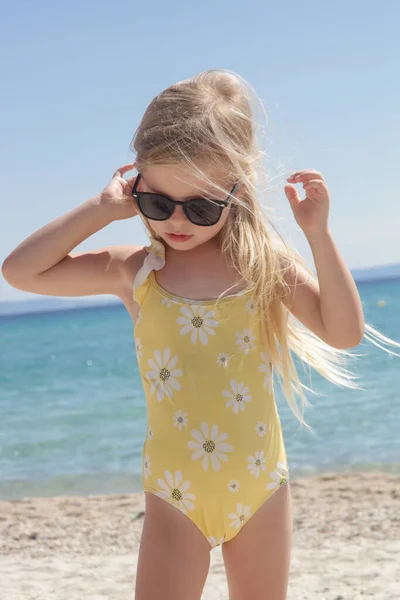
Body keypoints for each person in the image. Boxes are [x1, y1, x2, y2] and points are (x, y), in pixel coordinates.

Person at [2, 69, 399, 600]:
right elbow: (20, 272)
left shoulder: (261, 264)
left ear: (237, 191)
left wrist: (318, 235)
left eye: (202, 207)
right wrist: (103, 210)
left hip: (261, 489)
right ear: (136, 184)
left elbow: (344, 333)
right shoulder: (136, 271)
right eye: (158, 204)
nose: (178, 222)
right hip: (174, 496)